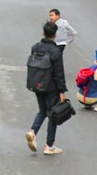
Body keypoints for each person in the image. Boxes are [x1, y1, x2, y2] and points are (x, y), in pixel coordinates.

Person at [25, 21, 67, 156]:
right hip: (51, 88)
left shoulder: (35, 47)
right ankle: (49, 145)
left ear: (43, 32)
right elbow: (58, 73)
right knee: (52, 115)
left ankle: (32, 132)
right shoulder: (55, 51)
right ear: (55, 35)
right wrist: (62, 91)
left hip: (37, 85)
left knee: (42, 110)